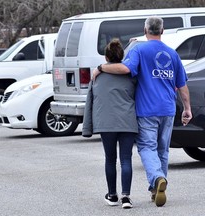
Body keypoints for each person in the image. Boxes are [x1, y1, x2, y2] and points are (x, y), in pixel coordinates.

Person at [92, 16, 192, 207]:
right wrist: (187, 109)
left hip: (147, 110)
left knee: (147, 148)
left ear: (145, 30)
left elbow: (124, 69)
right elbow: (182, 85)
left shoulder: (139, 49)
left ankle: (156, 179)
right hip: (168, 110)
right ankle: (156, 190)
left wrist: (101, 67)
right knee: (163, 150)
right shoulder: (172, 54)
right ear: (162, 31)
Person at [82, 38, 138, 209]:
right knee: (126, 159)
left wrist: (87, 128)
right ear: (121, 57)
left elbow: (89, 103)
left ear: (106, 58)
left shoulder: (97, 77)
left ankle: (112, 195)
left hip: (105, 123)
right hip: (127, 121)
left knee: (110, 159)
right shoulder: (131, 76)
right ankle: (126, 197)